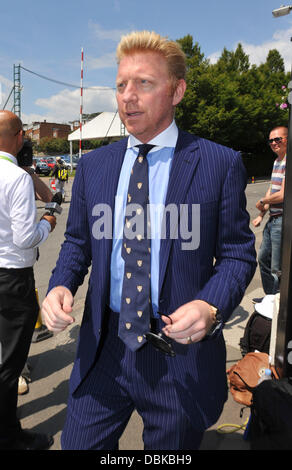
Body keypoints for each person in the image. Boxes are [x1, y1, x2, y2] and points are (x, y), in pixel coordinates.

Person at [42, 31, 256, 450]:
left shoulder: (219, 163)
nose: (128, 96)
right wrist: (59, 286)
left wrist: (210, 305)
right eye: (121, 84)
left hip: (178, 354)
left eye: (144, 83)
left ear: (177, 91)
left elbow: (236, 256)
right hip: (104, 346)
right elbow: (77, 243)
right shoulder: (94, 166)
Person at [0, 110, 56, 450]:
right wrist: (49, 220)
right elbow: (25, 238)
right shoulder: (16, 178)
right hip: (12, 280)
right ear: (20, 137)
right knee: (10, 363)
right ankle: (8, 437)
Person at [252, 126, 287, 298]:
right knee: (263, 258)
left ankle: (277, 305)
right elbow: (272, 189)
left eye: (278, 139)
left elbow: (283, 194)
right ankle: (270, 297)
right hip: (272, 219)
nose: (274, 143)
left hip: (282, 220)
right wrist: (261, 214)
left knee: (276, 267)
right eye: (271, 140)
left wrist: (263, 201)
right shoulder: (277, 161)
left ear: (287, 139)